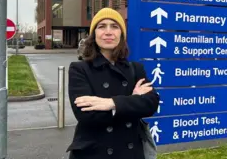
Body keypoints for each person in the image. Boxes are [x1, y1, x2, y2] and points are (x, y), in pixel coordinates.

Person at [66, 8, 160, 159]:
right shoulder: (79, 69)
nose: (108, 32)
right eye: (102, 26)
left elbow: (151, 103)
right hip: (94, 153)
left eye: (115, 26)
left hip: (131, 153)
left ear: (121, 34)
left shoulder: (136, 69)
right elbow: (87, 116)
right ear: (94, 34)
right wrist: (133, 100)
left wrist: (111, 103)